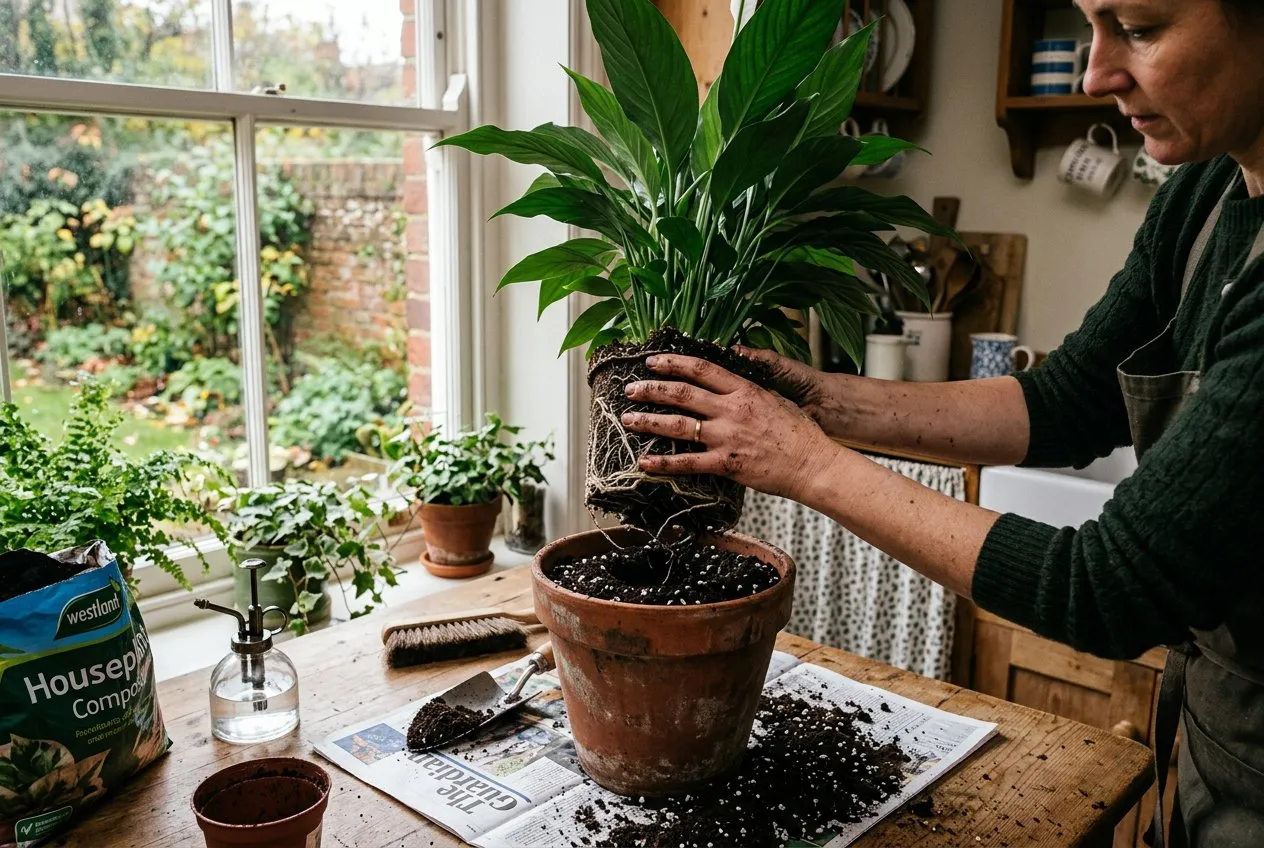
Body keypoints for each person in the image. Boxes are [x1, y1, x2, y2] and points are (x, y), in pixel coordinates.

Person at [618, 1, 1264, 845]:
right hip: (1211, 740)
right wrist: (819, 397)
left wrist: (803, 462)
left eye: (1138, 26)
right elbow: (1066, 400)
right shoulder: (1206, 196)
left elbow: (1108, 587)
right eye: (1088, 25)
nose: (1095, 72)